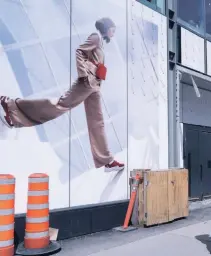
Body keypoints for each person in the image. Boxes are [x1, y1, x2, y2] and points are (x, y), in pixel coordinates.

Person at [0, 17, 124, 173]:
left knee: (97, 123)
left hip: (94, 87)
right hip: (87, 83)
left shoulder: (101, 43)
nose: (114, 32)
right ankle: (10, 106)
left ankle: (107, 161)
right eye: (113, 29)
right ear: (106, 27)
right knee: (58, 106)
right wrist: (84, 75)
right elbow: (79, 51)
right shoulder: (95, 37)